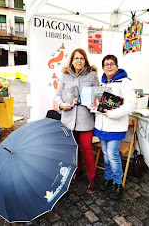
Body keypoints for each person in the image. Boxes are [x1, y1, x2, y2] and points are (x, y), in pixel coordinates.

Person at [55, 48, 99, 193]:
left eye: (81, 58)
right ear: (72, 61)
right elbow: (57, 95)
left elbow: (98, 96)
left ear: (85, 60)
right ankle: (78, 171)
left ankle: (91, 178)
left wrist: (92, 103)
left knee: (86, 149)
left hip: (85, 119)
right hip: (68, 118)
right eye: (76, 58)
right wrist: (61, 104)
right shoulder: (65, 75)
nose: (79, 61)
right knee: (74, 149)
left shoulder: (92, 75)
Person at [94, 55, 136, 199]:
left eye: (112, 64)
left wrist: (111, 114)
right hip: (102, 125)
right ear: (103, 67)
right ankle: (108, 178)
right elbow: (98, 103)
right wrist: (92, 105)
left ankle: (118, 183)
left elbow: (131, 105)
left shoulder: (125, 82)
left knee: (112, 155)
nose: (109, 66)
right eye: (106, 64)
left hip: (116, 126)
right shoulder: (101, 82)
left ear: (117, 66)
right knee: (105, 154)